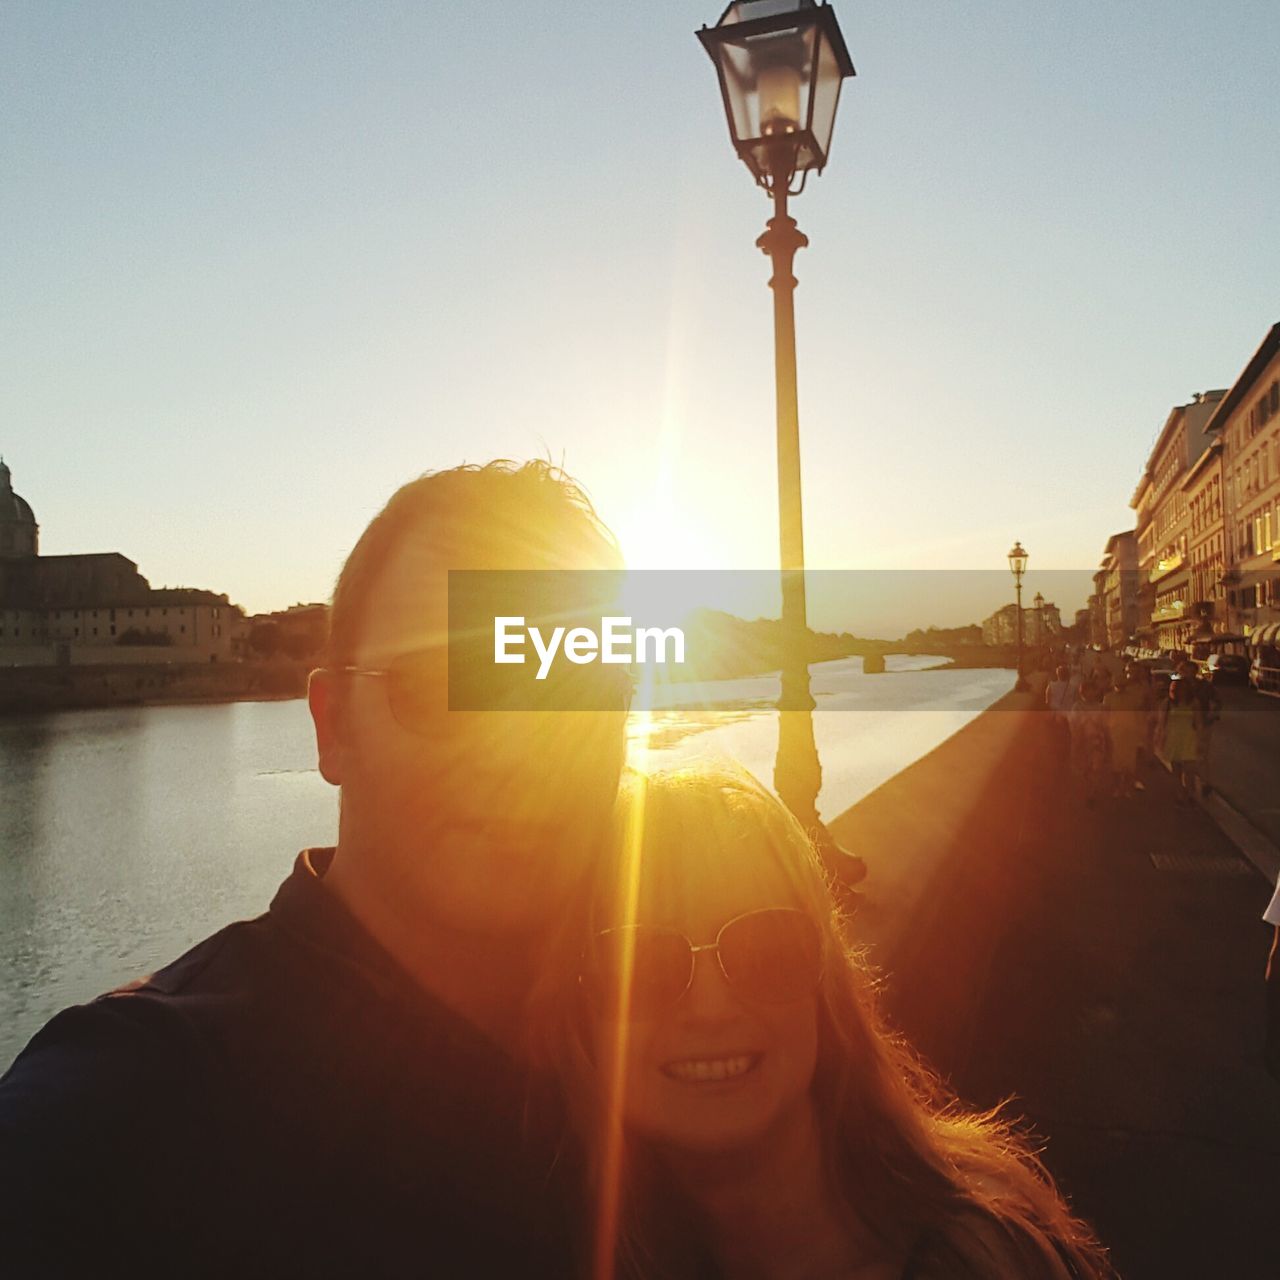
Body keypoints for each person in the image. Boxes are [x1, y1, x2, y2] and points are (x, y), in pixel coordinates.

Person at [0, 460, 630, 1277]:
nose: (513, 753)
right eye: (439, 686)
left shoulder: (670, 1028)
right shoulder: (127, 1104)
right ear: (333, 730)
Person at [533, 764, 1115, 1280]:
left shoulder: (979, 1257)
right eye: (642, 963)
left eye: (766, 947)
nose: (711, 1007)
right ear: (579, 1006)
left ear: (825, 984)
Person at [1103, 665, 1151, 798]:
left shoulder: (1134, 696)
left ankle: (1127, 787)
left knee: (1130, 763)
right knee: (1115, 764)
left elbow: (1142, 709)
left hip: (1131, 732)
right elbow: (1105, 715)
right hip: (1115, 733)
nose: (1119, 686)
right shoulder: (1108, 698)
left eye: (1122, 684)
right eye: (1117, 684)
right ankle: (1118, 787)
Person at [1175, 660, 1222, 798]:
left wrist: (1212, 714)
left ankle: (1205, 783)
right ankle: (1189, 786)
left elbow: (1217, 701)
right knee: (1186, 756)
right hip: (1184, 725)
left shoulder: (1204, 686)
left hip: (1203, 724)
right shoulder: (1177, 686)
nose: (1186, 673)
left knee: (1201, 754)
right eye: (1184, 670)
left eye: (1189, 670)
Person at [1156, 675, 1203, 805]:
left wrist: (1200, 741)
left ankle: (1189, 794)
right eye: (1179, 689)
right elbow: (1161, 723)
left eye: (1184, 689)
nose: (1182, 692)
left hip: (1189, 739)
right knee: (1176, 771)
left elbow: (1198, 722)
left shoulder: (1194, 703)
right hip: (1173, 739)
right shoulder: (1168, 703)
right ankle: (1179, 795)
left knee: (1189, 771)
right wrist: (1160, 739)